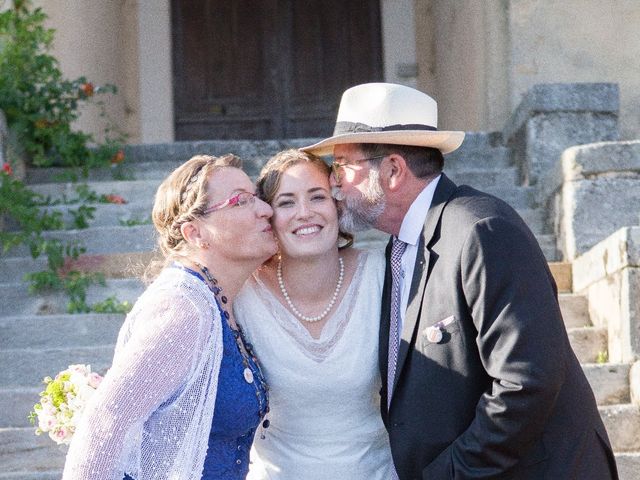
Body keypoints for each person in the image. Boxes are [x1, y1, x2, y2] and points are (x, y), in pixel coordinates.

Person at [302, 83, 619, 479]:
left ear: (394, 170)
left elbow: (524, 384)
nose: (334, 183)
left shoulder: (481, 230)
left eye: (342, 166)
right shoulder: (400, 247)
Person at [62, 154, 277, 480]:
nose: (266, 210)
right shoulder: (184, 308)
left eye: (258, 198)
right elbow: (103, 426)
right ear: (195, 233)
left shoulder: (223, 302)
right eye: (241, 201)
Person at [233, 149, 393, 479]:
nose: (304, 213)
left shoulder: (382, 274)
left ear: (337, 204)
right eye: (287, 202)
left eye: (317, 197)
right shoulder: (242, 292)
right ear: (269, 217)